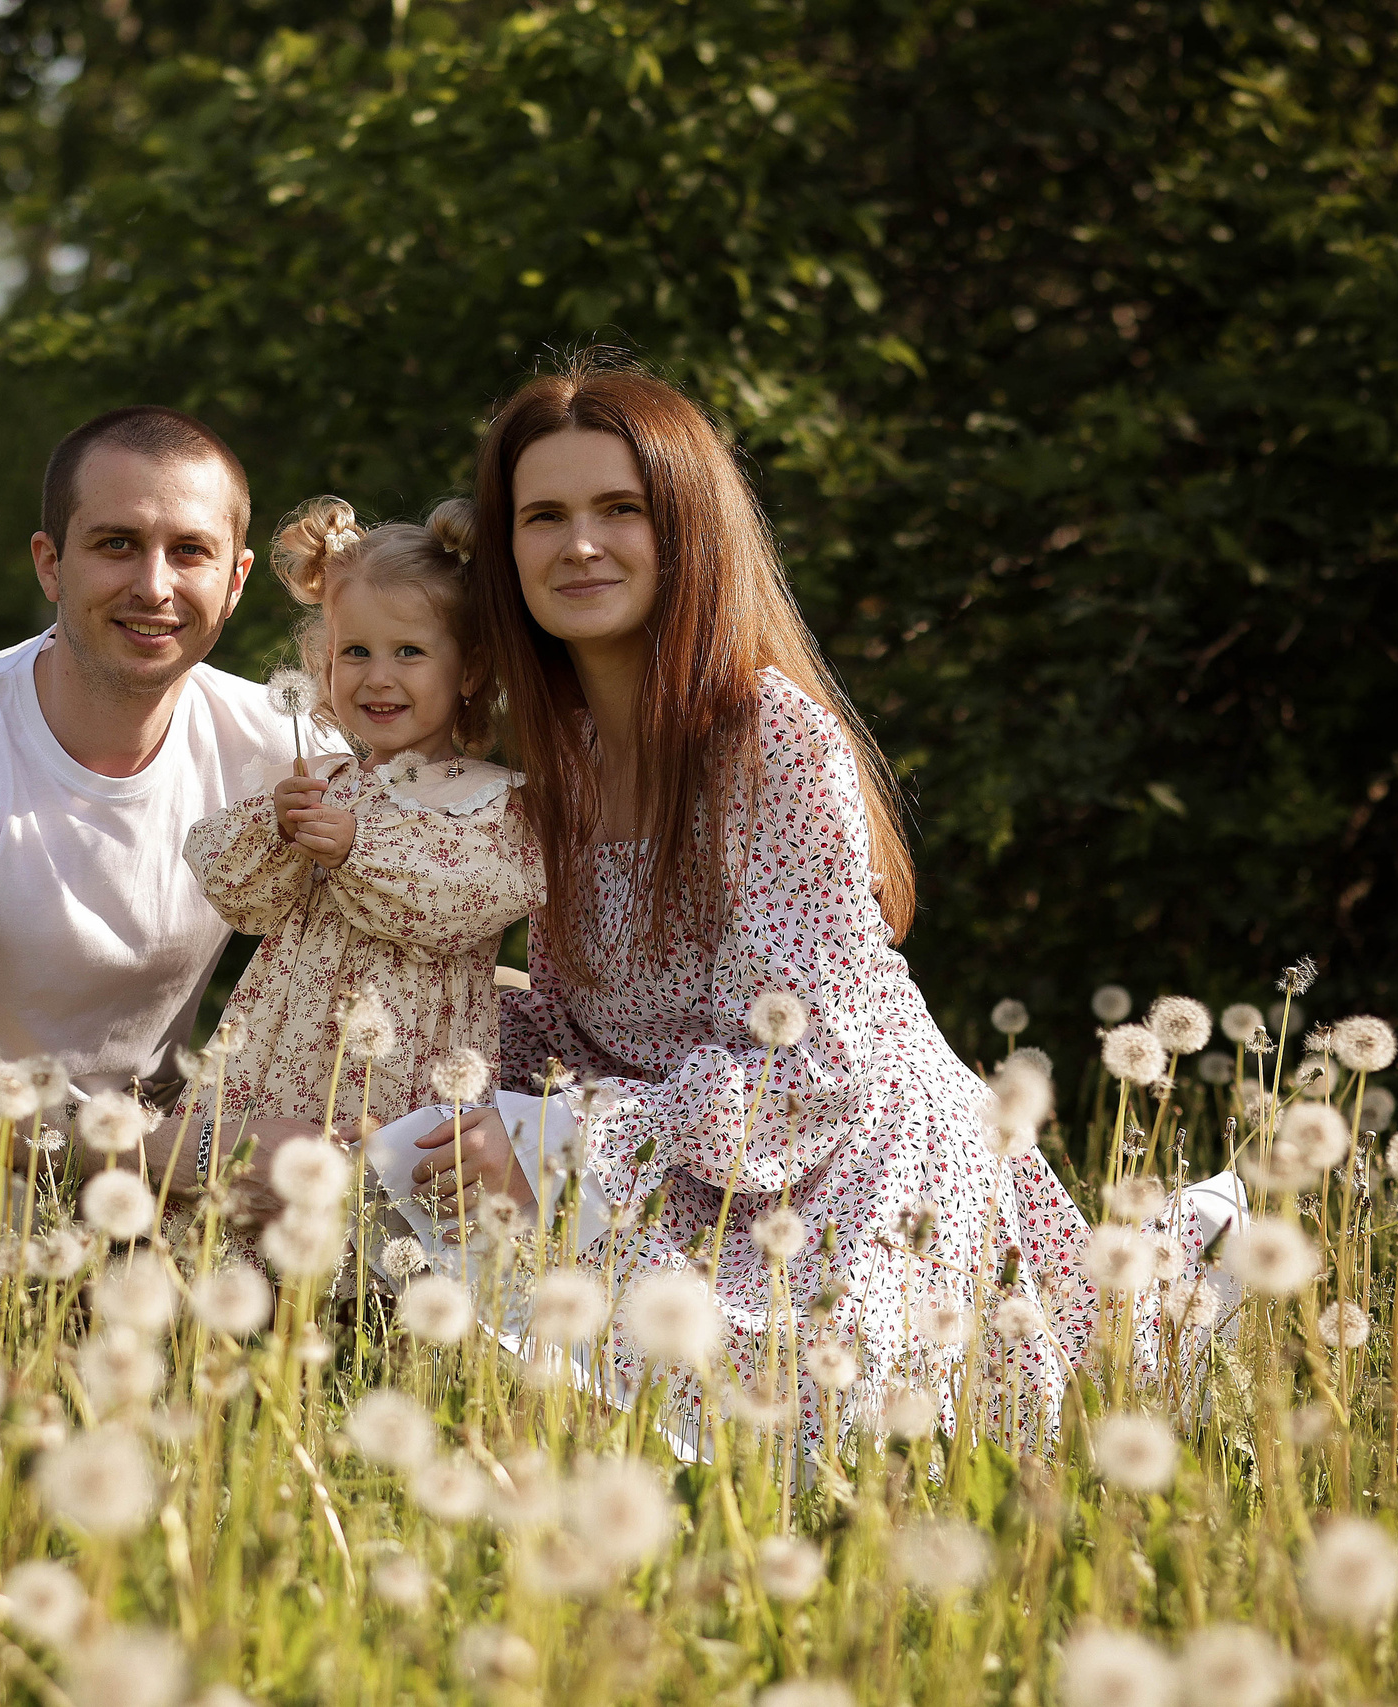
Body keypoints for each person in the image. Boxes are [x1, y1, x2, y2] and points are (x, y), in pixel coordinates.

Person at [398, 359, 1226, 1447]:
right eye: (542, 515)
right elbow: (571, 1027)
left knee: (775, 1437)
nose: (579, 544)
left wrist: (564, 1151)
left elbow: (812, 1071)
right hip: (669, 1155)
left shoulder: (766, 740)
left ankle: (1177, 1273)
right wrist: (423, 1035)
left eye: (620, 510)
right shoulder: (559, 757)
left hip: (840, 1165)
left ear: (686, 531)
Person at [0, 405, 326, 1186]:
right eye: (117, 544)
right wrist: (200, 1156)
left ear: (236, 581)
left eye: (190, 551)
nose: (154, 586)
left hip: (157, 1162)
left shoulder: (280, 746)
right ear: (51, 564)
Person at [184, 496, 544, 1140]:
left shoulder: (494, 802)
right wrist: (279, 830)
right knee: (242, 1205)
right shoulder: (318, 781)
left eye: (409, 652)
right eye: (355, 652)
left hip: (407, 1064)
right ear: (325, 664)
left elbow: (464, 902)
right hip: (280, 1057)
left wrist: (358, 854)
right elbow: (235, 895)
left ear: (471, 669)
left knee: (377, 1216)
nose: (378, 677)